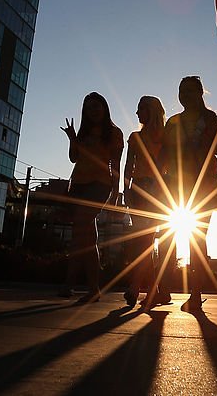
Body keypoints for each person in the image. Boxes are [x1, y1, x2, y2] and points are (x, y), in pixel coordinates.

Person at [161, 76, 217, 314]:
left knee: (197, 238)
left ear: (201, 93)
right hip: (177, 186)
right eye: (182, 91)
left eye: (190, 91)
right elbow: (163, 155)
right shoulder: (173, 122)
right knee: (171, 236)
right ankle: (163, 287)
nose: (186, 95)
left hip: (204, 185)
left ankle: (196, 291)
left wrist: (204, 143)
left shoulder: (210, 119)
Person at [60, 92, 124, 303]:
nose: (93, 111)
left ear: (104, 108)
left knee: (81, 230)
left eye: (96, 106)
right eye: (88, 108)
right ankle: (83, 286)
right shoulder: (84, 132)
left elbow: (115, 165)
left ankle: (83, 286)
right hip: (78, 184)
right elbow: (73, 158)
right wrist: (73, 139)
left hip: (99, 185)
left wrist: (115, 193)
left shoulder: (114, 133)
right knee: (84, 236)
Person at [122, 95, 173, 308]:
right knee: (145, 241)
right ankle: (154, 289)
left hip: (160, 190)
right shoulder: (135, 138)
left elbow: (173, 164)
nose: (137, 113)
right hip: (139, 190)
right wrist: (126, 190)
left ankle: (136, 286)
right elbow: (128, 166)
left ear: (151, 111)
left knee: (148, 240)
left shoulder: (167, 137)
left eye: (141, 109)